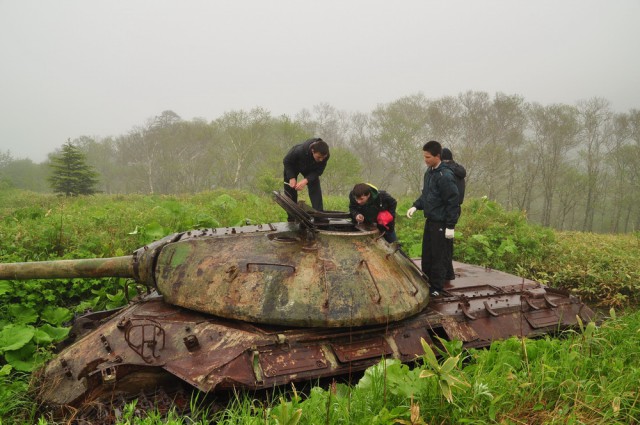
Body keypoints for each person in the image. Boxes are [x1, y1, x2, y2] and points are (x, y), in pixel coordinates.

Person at [406, 141, 459, 297]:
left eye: (428, 157)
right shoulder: (429, 173)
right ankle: (427, 280)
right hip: (430, 220)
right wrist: (416, 206)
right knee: (427, 253)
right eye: (424, 156)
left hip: (441, 222)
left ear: (437, 156)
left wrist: (450, 225)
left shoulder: (445, 176)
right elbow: (427, 195)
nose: (425, 160)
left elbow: (452, 201)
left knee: (438, 255)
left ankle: (436, 287)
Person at [283, 138, 330, 221]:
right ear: (312, 151)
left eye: (323, 157)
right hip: (293, 166)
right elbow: (286, 161)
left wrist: (306, 180)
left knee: (315, 187)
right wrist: (291, 177)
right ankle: (292, 218)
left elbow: (318, 171)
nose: (321, 160)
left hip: (311, 168)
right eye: (319, 157)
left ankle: (319, 216)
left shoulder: (325, 156)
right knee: (290, 190)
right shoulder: (298, 150)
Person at [441, 147, 466, 282]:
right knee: (448, 242)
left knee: (444, 242)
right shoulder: (458, 170)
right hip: (456, 209)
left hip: (448, 209)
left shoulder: (446, 172)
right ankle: (447, 272)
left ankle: (447, 274)